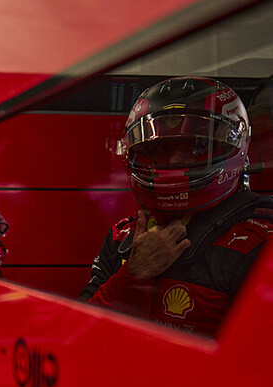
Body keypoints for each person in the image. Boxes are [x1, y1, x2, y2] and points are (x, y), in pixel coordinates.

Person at [80, 76, 273, 337]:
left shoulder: (258, 245)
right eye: (159, 149)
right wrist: (131, 275)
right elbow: (80, 331)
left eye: (194, 147)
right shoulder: (122, 236)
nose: (172, 161)